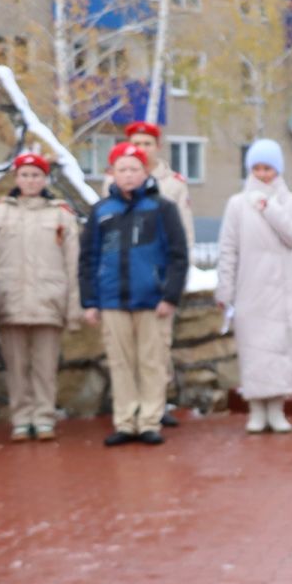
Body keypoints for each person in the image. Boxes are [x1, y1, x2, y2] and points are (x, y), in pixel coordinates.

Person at [80, 142, 187, 446]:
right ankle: (126, 421)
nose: (128, 175)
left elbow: (178, 256)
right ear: (112, 173)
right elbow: (88, 258)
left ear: (145, 172)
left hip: (152, 300)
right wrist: (90, 300)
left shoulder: (162, 208)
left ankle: (149, 420)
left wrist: (170, 295)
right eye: (121, 169)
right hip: (112, 299)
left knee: (151, 363)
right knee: (121, 363)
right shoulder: (101, 211)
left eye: (134, 169)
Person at [215, 140, 292, 434]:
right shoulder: (237, 204)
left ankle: (277, 409)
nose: (262, 173)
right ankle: (256, 410)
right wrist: (225, 289)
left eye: (268, 167)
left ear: (278, 169)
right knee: (255, 349)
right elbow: (227, 248)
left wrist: (270, 208)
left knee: (281, 349)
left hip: (284, 289)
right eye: (257, 168)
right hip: (250, 289)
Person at [0, 153, 79, 441]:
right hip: (10, 300)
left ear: (45, 179)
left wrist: (72, 308)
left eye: (36, 175)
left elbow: (73, 264)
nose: (30, 180)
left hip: (48, 301)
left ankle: (44, 417)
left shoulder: (61, 215)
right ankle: (22, 419)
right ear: (16, 178)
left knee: (45, 367)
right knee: (16, 367)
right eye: (25, 175)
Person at [106, 121, 193, 425]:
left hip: (158, 280)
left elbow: (184, 236)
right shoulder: (112, 181)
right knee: (126, 352)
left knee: (158, 346)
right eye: (136, 143)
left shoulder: (173, 184)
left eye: (146, 143)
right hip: (123, 282)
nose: (141, 149)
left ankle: (158, 404)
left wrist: (176, 281)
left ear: (157, 147)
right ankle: (132, 408)